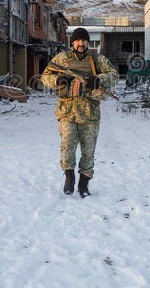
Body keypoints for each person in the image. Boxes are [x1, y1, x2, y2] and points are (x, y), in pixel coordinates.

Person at [41, 27, 118, 198]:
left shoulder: (97, 59)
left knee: (88, 150)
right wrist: (58, 79)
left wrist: (98, 79)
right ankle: (69, 177)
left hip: (89, 112)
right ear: (72, 42)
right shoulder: (62, 59)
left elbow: (114, 75)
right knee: (67, 146)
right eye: (77, 40)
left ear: (87, 42)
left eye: (83, 40)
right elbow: (45, 77)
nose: (80, 43)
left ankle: (84, 183)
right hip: (67, 111)